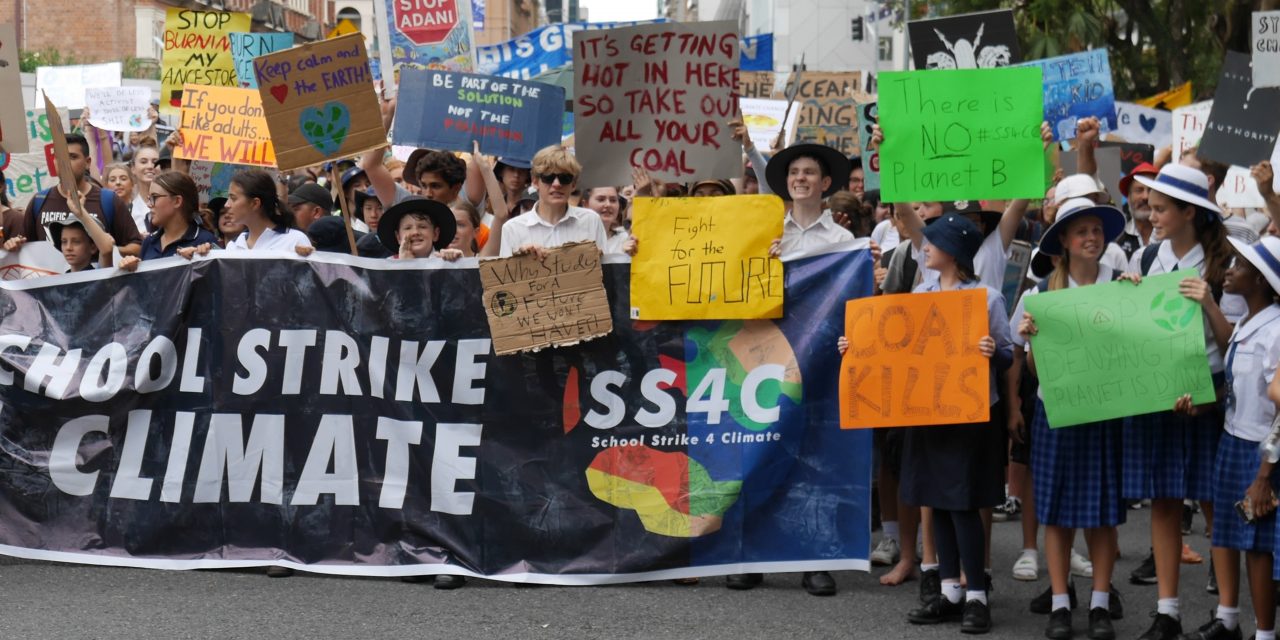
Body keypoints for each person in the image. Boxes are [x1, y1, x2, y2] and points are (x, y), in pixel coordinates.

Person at [841, 213, 1011, 633]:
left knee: (964, 504)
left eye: (933, 242)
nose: (925, 247)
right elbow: (897, 350)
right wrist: (857, 345)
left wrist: (993, 350)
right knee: (938, 501)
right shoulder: (920, 293)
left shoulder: (986, 298)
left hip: (970, 416)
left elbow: (1009, 352)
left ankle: (976, 596)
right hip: (928, 412)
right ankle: (950, 590)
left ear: (953, 250)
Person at [1120, 163, 1235, 640]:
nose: (1152, 212)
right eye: (1152, 205)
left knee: (1215, 503)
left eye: (1163, 207)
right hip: (1157, 391)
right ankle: (1167, 612)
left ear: (1190, 212)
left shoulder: (1224, 263)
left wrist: (1209, 302)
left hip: (1207, 392)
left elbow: (1236, 343)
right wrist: (1125, 302)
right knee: (1165, 500)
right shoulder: (1147, 259)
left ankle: (1228, 615)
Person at [1013, 198, 1128, 640]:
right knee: (1057, 511)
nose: (1091, 238)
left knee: (1103, 511)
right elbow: (1035, 370)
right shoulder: (1040, 295)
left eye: (1097, 230)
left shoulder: (1123, 285)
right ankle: (1061, 602)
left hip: (1105, 410)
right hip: (1057, 411)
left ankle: (1100, 602)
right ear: (1063, 240)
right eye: (1081, 231)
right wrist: (1030, 341)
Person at [1179, 236, 1280, 640]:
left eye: (1240, 266)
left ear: (1260, 279)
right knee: (1228, 532)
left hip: (1261, 452)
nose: (1229, 270)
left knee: (1256, 546)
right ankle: (1230, 620)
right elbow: (1236, 391)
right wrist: (1202, 406)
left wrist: (1263, 476)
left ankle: (1265, 633)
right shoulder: (1247, 324)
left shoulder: (1275, 331)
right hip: (1233, 438)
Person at [23, 133, 142, 257]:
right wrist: (12, 245)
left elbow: (137, 248)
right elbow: (26, 250)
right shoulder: (38, 201)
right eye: (59, 157)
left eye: (72, 157)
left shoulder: (108, 200)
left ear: (87, 162)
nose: (64, 163)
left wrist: (106, 248)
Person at [498, 145, 611, 258]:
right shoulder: (512, 229)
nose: (556, 184)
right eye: (548, 177)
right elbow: (505, 274)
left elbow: (605, 268)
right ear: (535, 182)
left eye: (565, 178)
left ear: (573, 184)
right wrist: (521, 260)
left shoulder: (591, 221)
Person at [133, 172, 218, 261]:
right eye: (149, 198)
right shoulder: (149, 241)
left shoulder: (204, 241)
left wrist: (197, 259)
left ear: (177, 201)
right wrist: (129, 268)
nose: (149, 204)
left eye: (154, 197)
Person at [377, 196, 461, 262]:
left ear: (435, 234)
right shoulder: (389, 266)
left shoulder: (447, 261)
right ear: (398, 237)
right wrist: (403, 266)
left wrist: (459, 263)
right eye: (408, 228)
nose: (415, 232)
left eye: (422, 227)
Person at [582, 186, 630, 254]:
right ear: (586, 204)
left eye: (613, 200)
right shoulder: (573, 237)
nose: (608, 204)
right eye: (601, 199)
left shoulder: (625, 239)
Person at [129, 144, 161, 234]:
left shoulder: (171, 205)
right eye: (143, 162)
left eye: (155, 162)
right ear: (133, 168)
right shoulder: (127, 207)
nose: (150, 166)